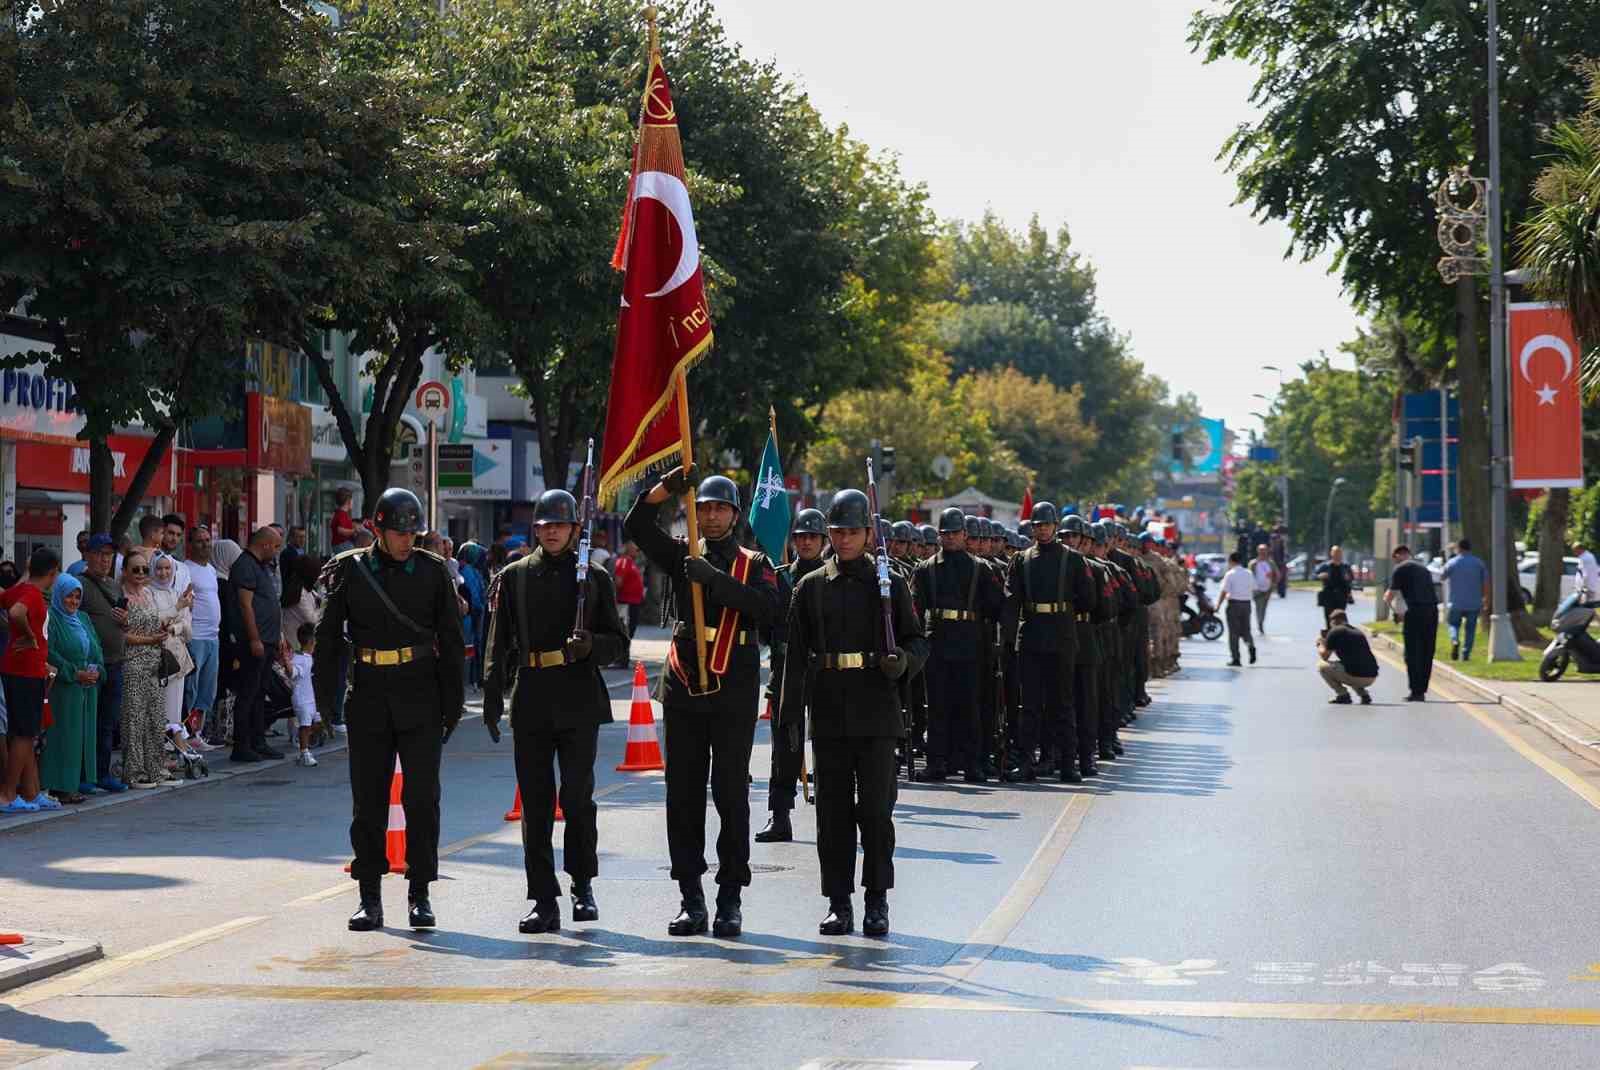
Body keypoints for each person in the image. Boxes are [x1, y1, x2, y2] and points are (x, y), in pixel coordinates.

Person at [624, 467, 781, 939]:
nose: (711, 516)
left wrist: (715, 580)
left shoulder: (755, 564)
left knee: (731, 794)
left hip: (733, 685)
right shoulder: (681, 554)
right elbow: (636, 526)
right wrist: (668, 487)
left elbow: (771, 610)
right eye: (704, 507)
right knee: (683, 795)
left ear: (735, 515)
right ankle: (690, 897)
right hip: (685, 685)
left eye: (719, 508)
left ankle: (730, 896)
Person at [314, 487, 465, 932]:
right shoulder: (350, 570)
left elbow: (452, 642)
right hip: (368, 695)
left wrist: (453, 704)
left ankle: (420, 892)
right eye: (398, 532)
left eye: (412, 532)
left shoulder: (434, 572)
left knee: (421, 800)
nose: (406, 540)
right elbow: (326, 639)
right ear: (377, 529)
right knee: (369, 802)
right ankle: (370, 897)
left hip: (420, 692)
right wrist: (325, 702)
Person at [779, 489, 926, 937]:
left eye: (853, 532)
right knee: (832, 815)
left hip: (877, 710)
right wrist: (789, 716)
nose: (844, 540)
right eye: (837, 532)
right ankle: (838, 902)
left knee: (877, 813)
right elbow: (796, 656)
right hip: (829, 711)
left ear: (868, 533)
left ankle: (877, 900)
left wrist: (902, 661)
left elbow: (917, 641)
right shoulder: (810, 587)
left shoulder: (890, 585)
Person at [482, 489, 628, 934]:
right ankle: (543, 898)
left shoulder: (596, 578)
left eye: (560, 525)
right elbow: (498, 640)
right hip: (531, 696)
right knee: (537, 804)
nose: (551, 532)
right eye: (545, 525)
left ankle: (583, 885)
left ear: (574, 530)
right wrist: (491, 693)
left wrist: (592, 647)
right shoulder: (515, 576)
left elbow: (618, 643)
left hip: (579, 696)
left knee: (578, 799)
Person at [911, 508, 1005, 783]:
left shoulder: (981, 568)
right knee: (938, 706)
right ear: (939, 535)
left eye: (955, 533)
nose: (950, 538)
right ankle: (937, 762)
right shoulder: (926, 569)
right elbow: (915, 608)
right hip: (937, 641)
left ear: (965, 534)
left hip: (971, 643)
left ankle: (972, 764)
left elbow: (997, 607)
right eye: (945, 533)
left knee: (970, 706)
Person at [1004, 502, 1092, 783]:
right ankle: (1027, 762)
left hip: (1062, 635)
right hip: (1031, 634)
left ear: (1055, 527)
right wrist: (1006, 640)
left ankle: (1068, 763)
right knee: (1029, 705)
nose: (1042, 529)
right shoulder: (1021, 559)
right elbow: (1011, 602)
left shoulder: (1073, 559)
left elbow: (1088, 598)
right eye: (1037, 525)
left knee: (1063, 704)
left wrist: (1064, 611)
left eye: (1046, 525)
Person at [756, 508, 828, 843]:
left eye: (812, 536)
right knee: (784, 749)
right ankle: (779, 814)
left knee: (829, 747)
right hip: (787, 672)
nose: (806, 542)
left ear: (823, 540)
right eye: (800, 537)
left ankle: (833, 812)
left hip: (825, 673)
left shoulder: (833, 578)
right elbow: (765, 626)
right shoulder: (779, 578)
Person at [0, 549, 60, 813]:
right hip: (26, 671)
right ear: (54, 572)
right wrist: (26, 635)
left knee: (25, 733)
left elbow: (8, 601)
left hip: (19, 668)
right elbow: (15, 612)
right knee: (24, 735)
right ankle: (8, 794)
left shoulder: (20, 588)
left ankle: (31, 792)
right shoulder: (33, 594)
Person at [39, 574, 102, 804]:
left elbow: (95, 646)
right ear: (59, 595)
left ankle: (73, 783)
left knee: (80, 737)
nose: (73, 601)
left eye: (77, 596)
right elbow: (50, 652)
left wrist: (97, 671)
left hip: (87, 687)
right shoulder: (52, 618)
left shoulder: (83, 618)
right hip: (64, 689)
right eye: (69, 596)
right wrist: (74, 673)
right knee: (63, 737)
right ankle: (58, 786)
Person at [118, 549, 177, 788]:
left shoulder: (148, 594)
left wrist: (161, 631)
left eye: (145, 569)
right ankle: (134, 772)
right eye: (136, 569)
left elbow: (152, 625)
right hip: (133, 663)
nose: (141, 574)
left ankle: (156, 768)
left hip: (153, 664)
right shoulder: (120, 596)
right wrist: (150, 639)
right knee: (134, 719)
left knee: (155, 718)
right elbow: (123, 636)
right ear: (124, 572)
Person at [229, 527, 287, 762]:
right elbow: (245, 605)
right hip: (255, 642)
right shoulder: (245, 565)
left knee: (260, 693)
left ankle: (258, 741)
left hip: (269, 640)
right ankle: (241, 745)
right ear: (264, 545)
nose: (276, 552)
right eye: (275, 547)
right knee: (248, 692)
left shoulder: (261, 566)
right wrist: (254, 638)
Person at [77, 534, 128, 793]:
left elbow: (123, 623)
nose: (105, 559)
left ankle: (102, 773)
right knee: (89, 722)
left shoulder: (115, 586)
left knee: (107, 723)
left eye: (109, 554)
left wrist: (124, 620)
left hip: (116, 662)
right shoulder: (79, 584)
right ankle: (84, 775)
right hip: (92, 665)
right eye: (100, 553)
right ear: (88, 555)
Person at [150, 553, 202, 753]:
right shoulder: (149, 593)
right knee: (160, 707)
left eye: (167, 569)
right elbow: (155, 622)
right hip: (159, 659)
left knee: (174, 707)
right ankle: (162, 750)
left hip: (178, 659)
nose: (163, 573)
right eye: (159, 569)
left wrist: (174, 627)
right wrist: (176, 613)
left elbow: (188, 629)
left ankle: (175, 748)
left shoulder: (175, 593)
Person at [183, 526, 222, 741]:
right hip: (195, 637)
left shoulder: (211, 570)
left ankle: (197, 734)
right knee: (192, 689)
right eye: (200, 541)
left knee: (207, 691)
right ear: (190, 544)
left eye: (208, 540)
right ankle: (187, 734)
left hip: (213, 637)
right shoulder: (185, 569)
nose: (205, 544)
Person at [1386, 544, 1439, 701]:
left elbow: (1389, 596)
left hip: (1414, 612)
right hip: (1432, 611)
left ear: (1397, 556)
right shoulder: (1424, 569)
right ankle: (1422, 688)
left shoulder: (1400, 569)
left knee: (1412, 652)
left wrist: (1396, 612)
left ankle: (1416, 691)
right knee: (1427, 651)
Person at [1441, 537, 1489, 662]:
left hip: (1456, 602)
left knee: (1453, 624)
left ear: (1459, 548)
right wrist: (1484, 599)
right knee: (1470, 629)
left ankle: (1455, 640)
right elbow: (1485, 584)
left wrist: (1445, 562)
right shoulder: (1479, 563)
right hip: (1474, 602)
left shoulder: (1453, 562)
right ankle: (1466, 653)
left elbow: (1442, 576)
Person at [1317, 610, 1379, 704]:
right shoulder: (1357, 631)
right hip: (1372, 675)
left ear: (1333, 621)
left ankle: (1343, 695)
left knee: (1321, 666)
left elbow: (1324, 656)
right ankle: (1364, 695)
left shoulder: (1335, 631)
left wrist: (1320, 644)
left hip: (1355, 675)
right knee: (1349, 665)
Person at [289, 622, 320, 767]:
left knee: (315, 723)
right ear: (310, 641)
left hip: (310, 697)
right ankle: (304, 753)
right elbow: (293, 673)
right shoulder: (298, 659)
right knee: (305, 726)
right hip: (301, 698)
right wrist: (286, 662)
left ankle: (300, 739)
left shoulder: (308, 657)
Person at [1220, 552, 1257, 667]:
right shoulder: (1249, 573)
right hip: (1246, 604)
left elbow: (1224, 591)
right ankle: (1250, 645)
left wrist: (1217, 605)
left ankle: (1236, 658)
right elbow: (1254, 588)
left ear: (1231, 561)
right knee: (1246, 629)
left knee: (1233, 633)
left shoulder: (1230, 574)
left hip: (1234, 604)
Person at [1314, 545, 1356, 629]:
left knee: (1340, 617)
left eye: (1339, 553)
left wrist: (1348, 578)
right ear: (1331, 554)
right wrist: (1320, 576)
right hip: (1328, 595)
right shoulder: (1325, 566)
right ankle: (1330, 636)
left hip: (1342, 595)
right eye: (1335, 553)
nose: (1337, 555)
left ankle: (1339, 634)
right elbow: (1314, 575)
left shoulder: (1345, 566)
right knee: (1329, 617)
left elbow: (1351, 578)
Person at [612, 542, 645, 640]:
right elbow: (618, 581)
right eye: (635, 548)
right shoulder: (624, 561)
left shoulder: (630, 561)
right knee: (626, 629)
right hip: (626, 602)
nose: (637, 551)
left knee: (630, 629)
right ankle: (623, 653)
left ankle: (625, 651)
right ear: (627, 547)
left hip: (633, 602)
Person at [1250, 542, 1279, 634]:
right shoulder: (1253, 563)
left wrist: (1274, 585)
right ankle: (1260, 623)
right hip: (1257, 590)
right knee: (1259, 607)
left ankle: (1261, 621)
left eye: (1264, 550)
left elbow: (1277, 574)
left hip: (1267, 590)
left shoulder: (1271, 563)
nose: (1262, 552)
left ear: (1267, 551)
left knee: (1264, 608)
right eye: (1261, 550)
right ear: (1257, 551)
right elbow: (1249, 576)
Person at [330, 488, 358, 555]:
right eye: (352, 500)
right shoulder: (341, 514)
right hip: (343, 545)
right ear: (348, 501)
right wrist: (354, 531)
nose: (353, 502)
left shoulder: (339, 513)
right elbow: (340, 530)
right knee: (357, 560)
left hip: (341, 545)